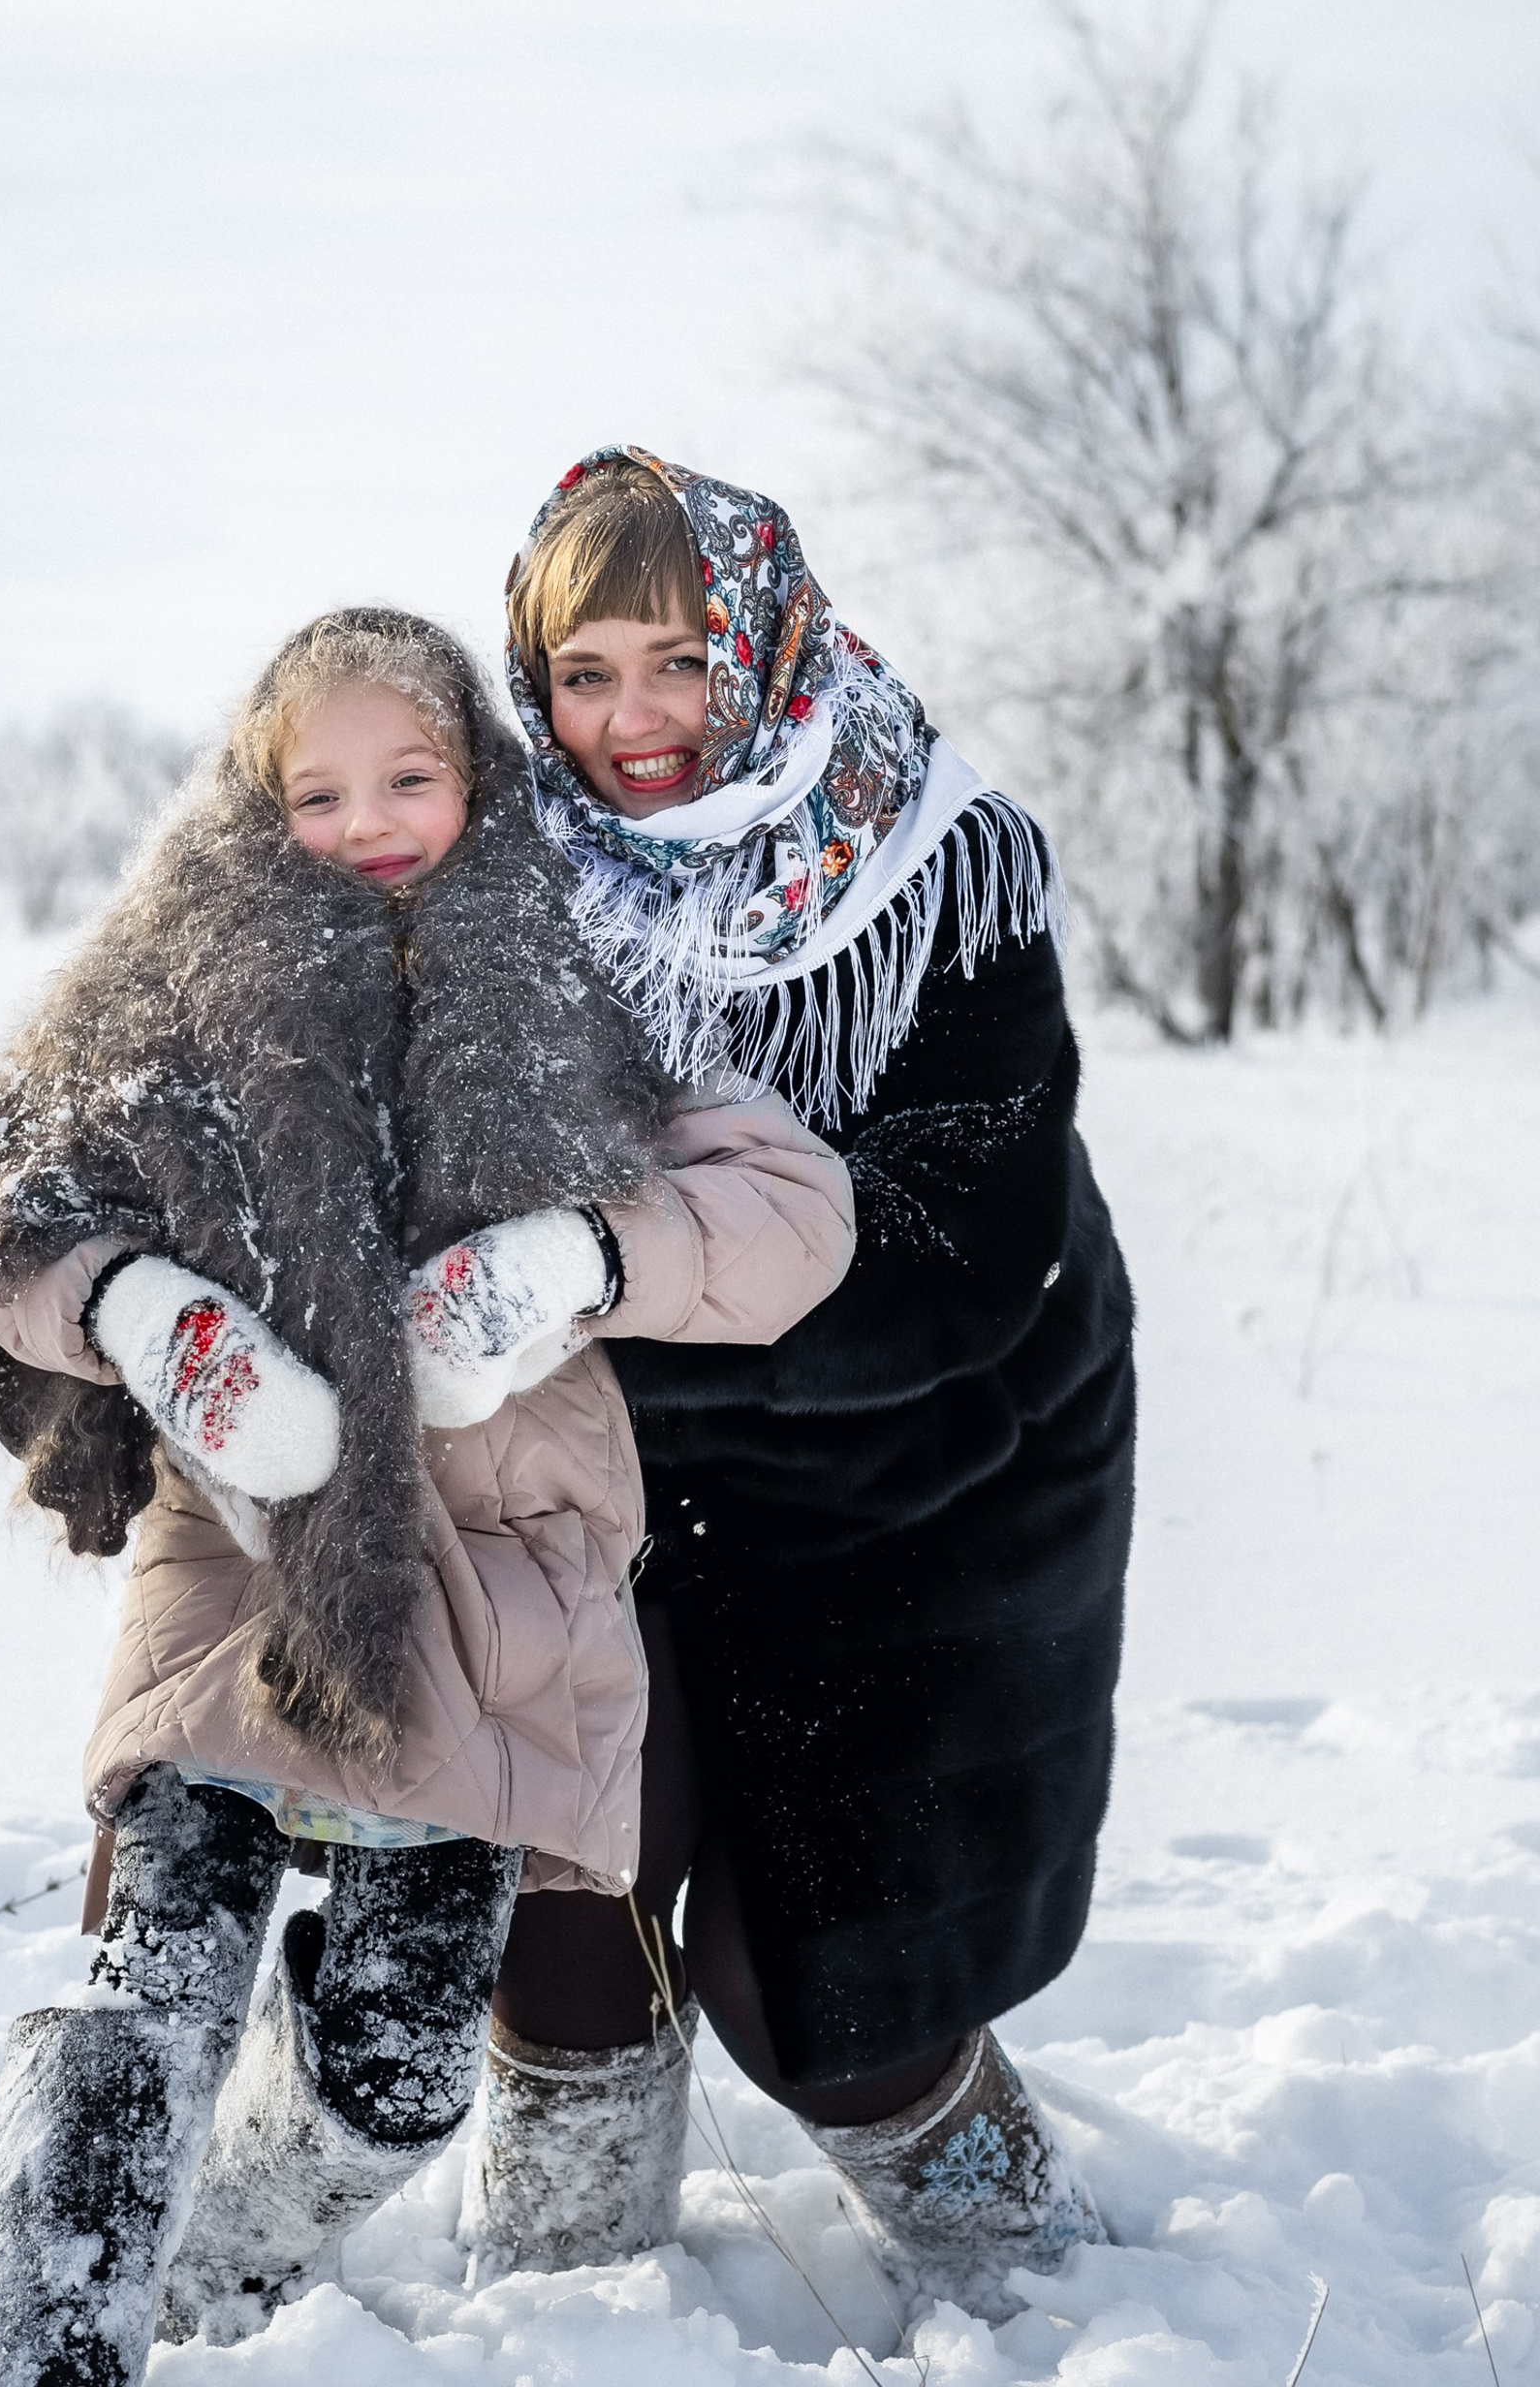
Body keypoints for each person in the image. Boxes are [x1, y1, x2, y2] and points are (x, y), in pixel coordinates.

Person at [0, 607, 853, 2381]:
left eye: (409, 776)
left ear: (475, 769)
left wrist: (577, 1257)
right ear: (254, 798)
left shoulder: (582, 981)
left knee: (394, 2073)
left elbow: (793, 1219)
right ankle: (22, 2344)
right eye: (315, 791)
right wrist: (139, 1314)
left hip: (491, 1598)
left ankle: (214, 2246)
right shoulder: (168, 983)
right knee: (145, 2001)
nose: (368, 820)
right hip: (238, 1568)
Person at [466, 453, 1138, 2323]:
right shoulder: (497, 877)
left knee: (828, 1994)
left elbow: (965, 1247)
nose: (635, 723)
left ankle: (1038, 2287)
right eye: (585, 671)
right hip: (612, 1469)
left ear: (760, 641)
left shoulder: (936, 866)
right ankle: (564, 2313)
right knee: (564, 1878)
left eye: (678, 660)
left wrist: (612, 1290)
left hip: (930, 1474)